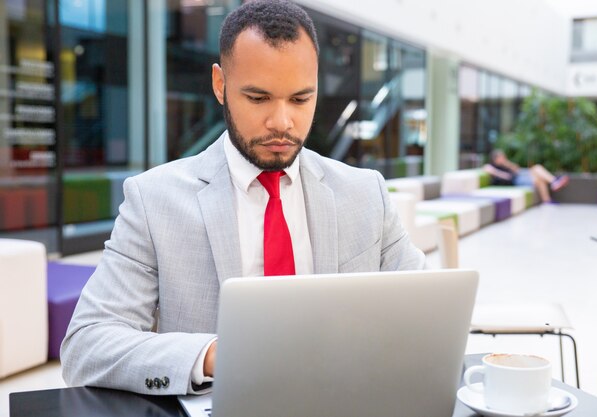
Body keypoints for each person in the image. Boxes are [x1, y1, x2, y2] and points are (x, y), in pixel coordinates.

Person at [60, 0, 425, 396]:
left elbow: (428, 312)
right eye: (258, 98)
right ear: (220, 85)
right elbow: (87, 345)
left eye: (301, 99)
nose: (282, 122)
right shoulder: (153, 201)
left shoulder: (365, 193)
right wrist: (218, 355)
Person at [483, 149, 569, 203]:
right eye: (501, 157)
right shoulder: (491, 167)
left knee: (537, 169)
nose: (503, 159)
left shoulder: (505, 165)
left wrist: (507, 163)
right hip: (516, 181)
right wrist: (495, 171)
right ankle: (553, 182)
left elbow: (517, 169)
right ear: (495, 159)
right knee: (538, 175)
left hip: (520, 176)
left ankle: (549, 196)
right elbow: (508, 177)